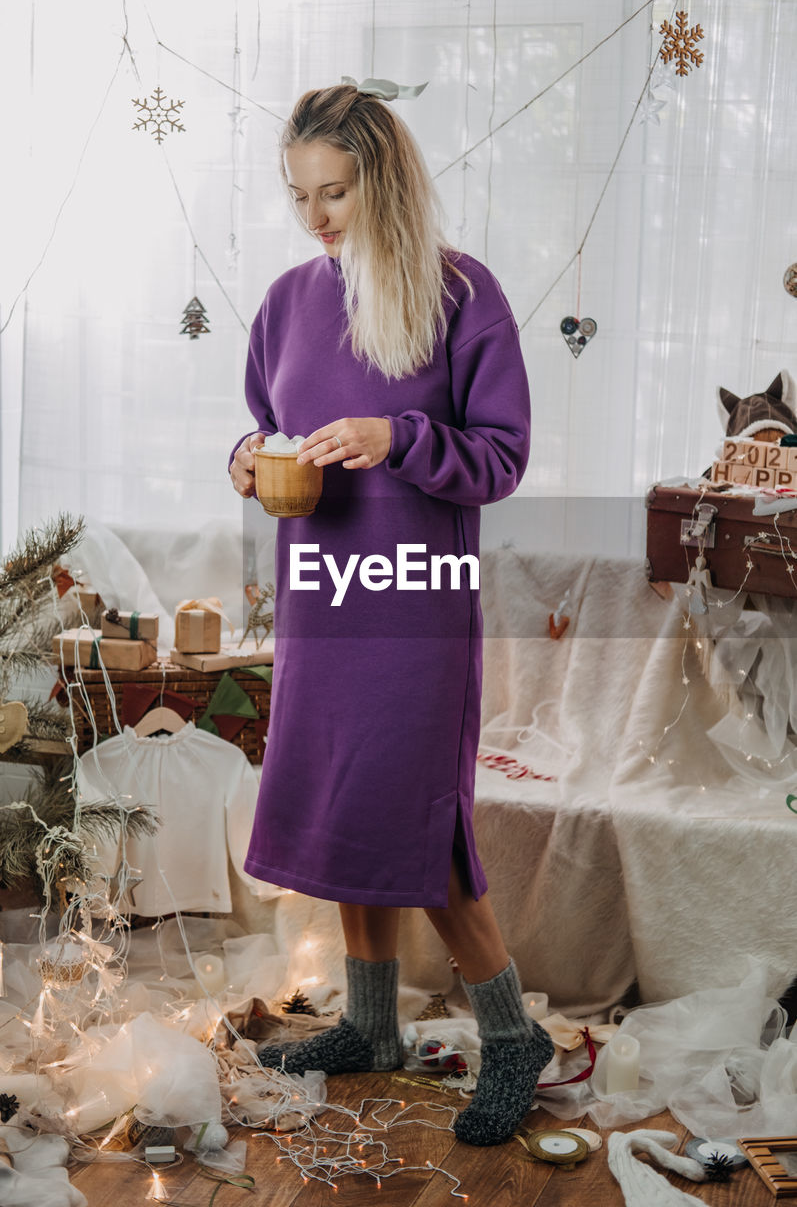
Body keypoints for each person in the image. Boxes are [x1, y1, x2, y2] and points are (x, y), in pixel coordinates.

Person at [228, 83, 552, 1146]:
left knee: (418, 816)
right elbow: (263, 425)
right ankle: (370, 1025)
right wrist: (241, 458)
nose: (317, 215)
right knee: (340, 804)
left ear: (383, 178)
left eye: (335, 190)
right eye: (300, 195)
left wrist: (397, 437)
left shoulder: (462, 293)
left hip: (413, 599)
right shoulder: (283, 300)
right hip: (319, 595)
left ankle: (510, 1035)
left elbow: (499, 458)